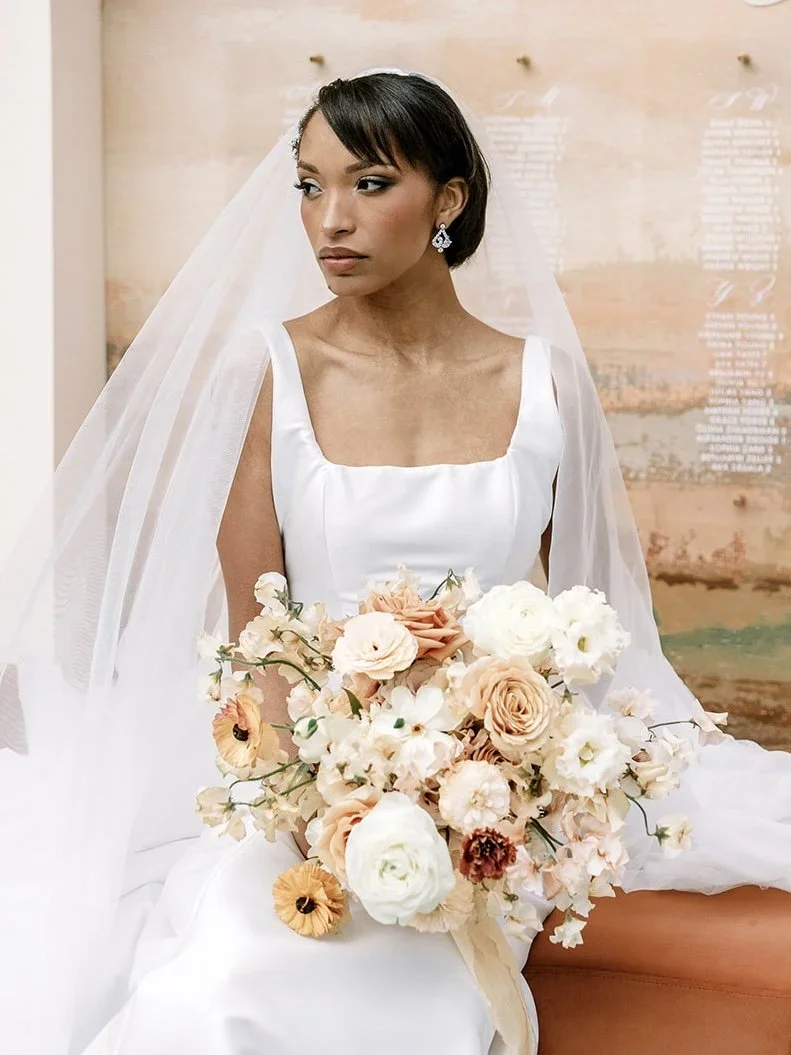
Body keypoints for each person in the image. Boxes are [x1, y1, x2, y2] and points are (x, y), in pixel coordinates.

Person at [1, 67, 789, 1055]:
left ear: (448, 201)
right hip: (309, 774)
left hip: (493, 784)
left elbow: (594, 622)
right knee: (233, 983)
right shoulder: (267, 370)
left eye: (369, 183)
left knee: (427, 961)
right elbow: (257, 635)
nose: (330, 218)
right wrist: (309, 805)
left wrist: (512, 777)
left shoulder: (542, 381)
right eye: (308, 184)